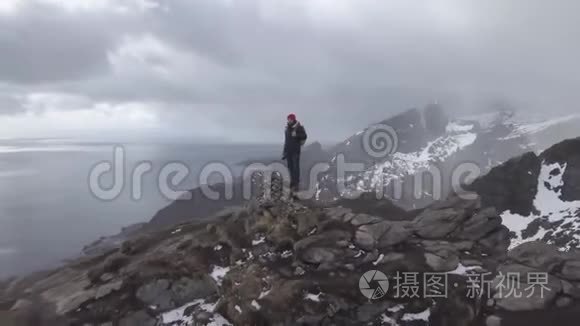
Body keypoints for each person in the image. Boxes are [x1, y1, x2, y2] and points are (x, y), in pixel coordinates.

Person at [282, 113, 307, 193]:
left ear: (293, 119)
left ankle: (296, 184)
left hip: (295, 151)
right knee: (290, 167)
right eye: (288, 119)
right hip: (289, 151)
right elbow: (286, 142)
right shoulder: (287, 129)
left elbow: (304, 136)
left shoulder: (299, 127)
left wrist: (296, 135)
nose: (289, 120)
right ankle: (292, 182)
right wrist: (284, 152)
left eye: (290, 119)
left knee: (296, 168)